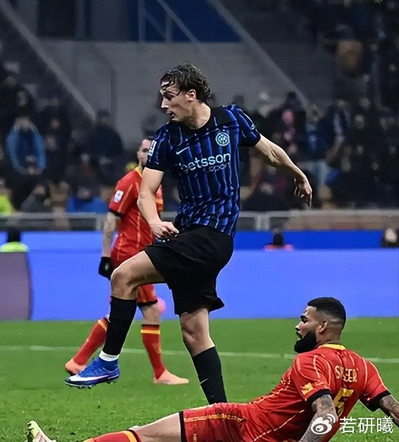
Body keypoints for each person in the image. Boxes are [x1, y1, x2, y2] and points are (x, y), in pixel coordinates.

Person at [66, 64, 313, 405]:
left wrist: (298, 174)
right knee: (194, 332)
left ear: (191, 94)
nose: (163, 105)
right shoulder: (167, 138)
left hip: (213, 236)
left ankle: (108, 361)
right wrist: (154, 222)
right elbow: (145, 192)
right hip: (186, 234)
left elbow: (269, 151)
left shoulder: (230, 120)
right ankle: (222, 412)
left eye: (169, 97)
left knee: (123, 276)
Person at [31, 297, 399, 442]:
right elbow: (393, 410)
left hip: (242, 424)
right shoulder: (363, 367)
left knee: (148, 436)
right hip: (258, 431)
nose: (298, 325)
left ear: (323, 327)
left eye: (304, 320)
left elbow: (325, 413)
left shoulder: (310, 361)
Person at [64, 138, 188, 386]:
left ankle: (79, 360)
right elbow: (111, 220)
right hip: (130, 253)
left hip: (143, 252)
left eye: (152, 151)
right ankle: (159, 373)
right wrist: (105, 255)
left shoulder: (155, 184)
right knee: (150, 310)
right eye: (144, 150)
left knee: (120, 311)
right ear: (138, 155)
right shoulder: (130, 182)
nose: (147, 154)